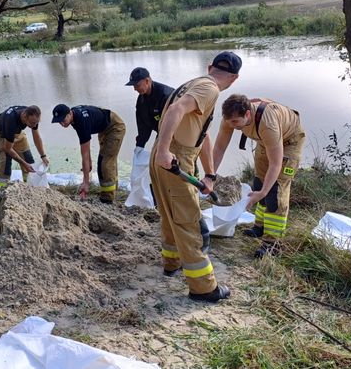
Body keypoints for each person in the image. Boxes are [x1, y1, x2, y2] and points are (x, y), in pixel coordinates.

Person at [150, 51, 241, 303]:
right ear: (234, 78)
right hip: (172, 158)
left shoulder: (192, 83)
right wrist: (166, 151)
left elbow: (203, 135)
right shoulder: (208, 88)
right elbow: (176, 111)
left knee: (171, 215)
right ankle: (203, 288)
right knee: (191, 223)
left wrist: (210, 175)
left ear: (210, 66)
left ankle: (172, 262)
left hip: (165, 156)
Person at [126, 67, 211, 253]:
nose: (135, 89)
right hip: (163, 145)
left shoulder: (166, 95)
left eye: (137, 84)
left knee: (184, 187)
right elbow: (143, 126)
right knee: (158, 183)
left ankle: (200, 232)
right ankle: (165, 217)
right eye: (133, 86)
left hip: (181, 145)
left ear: (147, 80)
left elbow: (187, 124)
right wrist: (139, 147)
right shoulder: (141, 101)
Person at [212, 94, 305, 258]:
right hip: (266, 141)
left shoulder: (267, 124)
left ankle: (272, 243)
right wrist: (209, 175)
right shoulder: (229, 118)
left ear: (247, 114)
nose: (231, 126)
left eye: (235, 122)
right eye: (228, 122)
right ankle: (260, 227)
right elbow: (219, 148)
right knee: (258, 183)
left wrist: (263, 193)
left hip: (289, 142)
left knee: (274, 191)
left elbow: (275, 164)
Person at [52, 104, 125, 203]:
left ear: (69, 113)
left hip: (114, 127)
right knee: (106, 160)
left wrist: (86, 183)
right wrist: (89, 162)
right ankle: (114, 189)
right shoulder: (74, 117)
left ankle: (107, 198)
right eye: (59, 122)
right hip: (103, 128)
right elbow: (86, 145)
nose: (62, 124)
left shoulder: (81, 122)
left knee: (105, 162)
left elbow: (84, 155)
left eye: (63, 120)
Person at [0, 105, 49, 186]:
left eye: (36, 123)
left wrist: (43, 155)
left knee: (28, 158)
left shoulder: (32, 115)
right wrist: (24, 164)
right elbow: (7, 148)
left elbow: (36, 137)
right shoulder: (10, 122)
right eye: (32, 123)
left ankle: (29, 185)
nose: (34, 126)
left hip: (17, 132)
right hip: (0, 132)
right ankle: (2, 187)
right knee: (6, 160)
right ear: (25, 117)